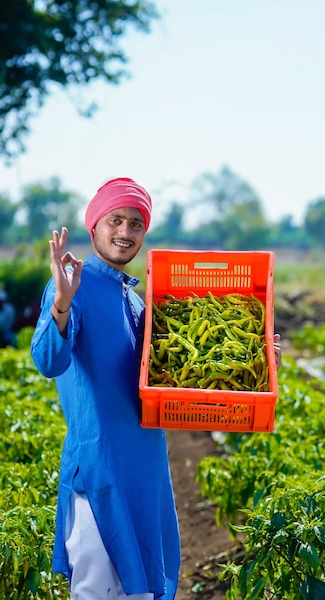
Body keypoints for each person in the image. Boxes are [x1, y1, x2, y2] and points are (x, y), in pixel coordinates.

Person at [31, 176, 282, 600]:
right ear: (94, 227)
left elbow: (181, 387)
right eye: (116, 220)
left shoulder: (138, 303)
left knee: (142, 588)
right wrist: (61, 302)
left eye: (136, 224)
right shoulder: (73, 285)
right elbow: (49, 361)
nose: (126, 232)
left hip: (146, 471)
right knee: (99, 590)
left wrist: (258, 365)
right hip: (99, 470)